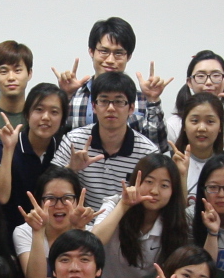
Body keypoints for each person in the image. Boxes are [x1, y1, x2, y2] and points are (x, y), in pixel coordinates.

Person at [92, 153, 191, 278]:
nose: (155, 191)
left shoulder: (173, 223)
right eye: (149, 182)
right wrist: (124, 206)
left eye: (164, 185)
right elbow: (94, 241)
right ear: (136, 182)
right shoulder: (115, 203)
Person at [52, 72, 161, 210]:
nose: (111, 108)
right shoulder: (74, 140)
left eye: (119, 102)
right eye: (103, 101)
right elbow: (49, 187)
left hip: (126, 220)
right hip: (82, 220)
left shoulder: (147, 152)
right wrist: (71, 169)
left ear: (131, 108)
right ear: (94, 106)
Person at [55, 16, 170, 142]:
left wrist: (153, 100)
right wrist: (65, 96)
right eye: (104, 51)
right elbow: (54, 140)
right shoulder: (75, 95)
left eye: (118, 53)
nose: (110, 60)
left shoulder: (141, 100)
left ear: (128, 56)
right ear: (91, 52)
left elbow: (157, 145)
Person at [0, 82, 67, 222]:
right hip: (12, 227)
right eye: (39, 109)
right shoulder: (8, 144)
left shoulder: (63, 147)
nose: (46, 117)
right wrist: (8, 149)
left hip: (50, 228)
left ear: (62, 119)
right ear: (27, 114)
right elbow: (1, 197)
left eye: (54, 112)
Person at [13, 167, 94, 278]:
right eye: (50, 198)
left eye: (67, 198)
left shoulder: (90, 232)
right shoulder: (25, 231)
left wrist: (79, 229)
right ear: (39, 202)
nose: (59, 205)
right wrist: (38, 231)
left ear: (78, 201)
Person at [166, 50, 224, 156]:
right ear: (189, 82)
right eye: (201, 76)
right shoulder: (174, 124)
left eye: (216, 75)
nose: (208, 82)